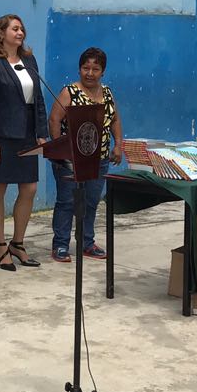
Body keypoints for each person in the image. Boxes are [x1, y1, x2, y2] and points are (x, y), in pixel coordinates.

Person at [0, 14, 48, 271]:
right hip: (3, 136)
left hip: (28, 134)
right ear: (0, 33)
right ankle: (0, 244)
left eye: (22, 29)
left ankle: (18, 242)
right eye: (15, 29)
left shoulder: (28, 60)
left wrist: (42, 131)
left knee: (29, 188)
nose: (20, 33)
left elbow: (38, 98)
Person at [48, 46, 124, 263]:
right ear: (79, 69)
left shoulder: (107, 93)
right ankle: (60, 245)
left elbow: (115, 120)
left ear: (103, 72)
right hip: (71, 161)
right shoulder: (69, 92)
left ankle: (86, 243)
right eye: (85, 68)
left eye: (95, 69)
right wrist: (59, 151)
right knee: (66, 202)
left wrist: (118, 145)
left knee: (91, 202)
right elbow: (54, 120)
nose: (89, 73)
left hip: (98, 160)